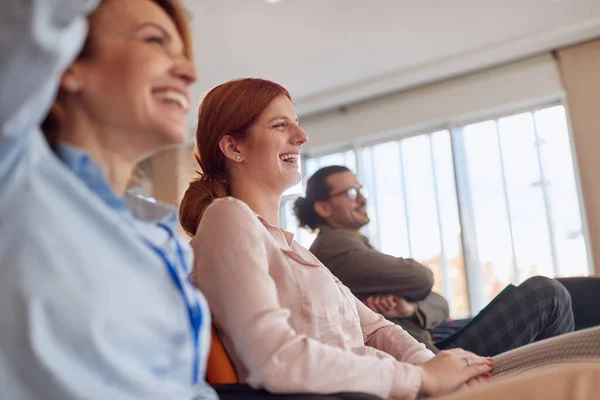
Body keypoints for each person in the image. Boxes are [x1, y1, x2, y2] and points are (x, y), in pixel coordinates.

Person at [180, 77, 600, 400]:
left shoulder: (290, 247)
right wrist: (419, 378)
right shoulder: (228, 218)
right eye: (280, 124)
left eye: (297, 123)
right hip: (386, 392)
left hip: (408, 386)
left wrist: (437, 367)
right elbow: (275, 360)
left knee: (591, 344)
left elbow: (379, 330)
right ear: (233, 147)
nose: (302, 136)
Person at [0, 1, 216, 399]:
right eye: (155, 41)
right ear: (68, 64)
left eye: (183, 55)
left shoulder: (161, 236)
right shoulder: (14, 173)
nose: (190, 72)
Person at [294, 166, 575, 356]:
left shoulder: (352, 244)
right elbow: (421, 278)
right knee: (546, 293)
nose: (362, 198)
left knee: (560, 296)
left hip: (430, 340)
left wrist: (411, 308)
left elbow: (439, 301)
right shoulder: (334, 247)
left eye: (361, 189)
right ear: (323, 207)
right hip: (429, 357)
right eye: (351, 193)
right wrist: (416, 285)